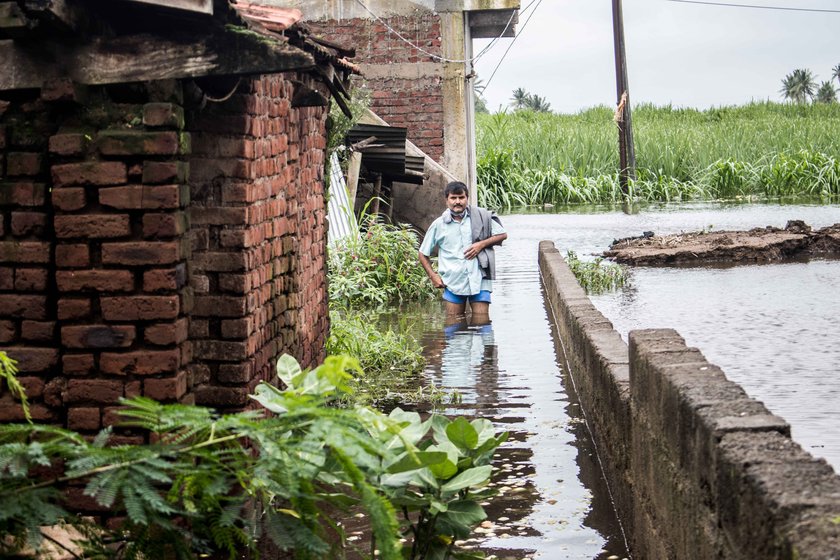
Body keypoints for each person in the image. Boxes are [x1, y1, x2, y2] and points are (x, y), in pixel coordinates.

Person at [418, 181, 507, 318]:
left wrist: (481, 245)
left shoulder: (480, 217)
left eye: (461, 197)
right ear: (446, 200)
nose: (457, 202)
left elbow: (502, 235)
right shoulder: (438, 224)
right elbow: (423, 253)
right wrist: (433, 276)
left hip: (480, 277)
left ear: (467, 198)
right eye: (453, 198)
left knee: (482, 324)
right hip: (453, 281)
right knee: (454, 325)